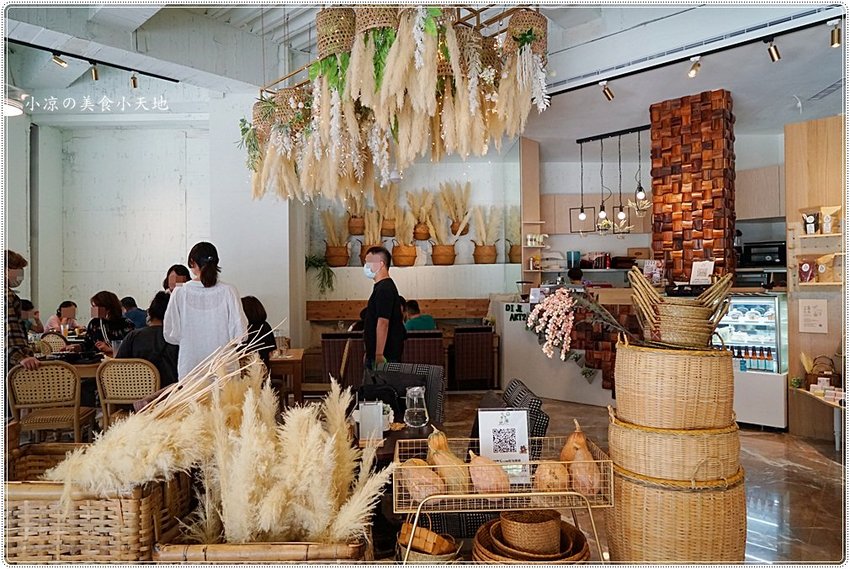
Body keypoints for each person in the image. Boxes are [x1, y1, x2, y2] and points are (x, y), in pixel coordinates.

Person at [163, 242, 247, 380]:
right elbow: (241, 334)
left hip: (191, 366)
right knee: (228, 395)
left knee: (194, 395)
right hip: (225, 367)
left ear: (192, 262)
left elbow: (170, 333)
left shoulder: (179, 291)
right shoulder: (229, 291)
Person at [116, 292, 180, 387]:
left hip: (135, 391)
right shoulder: (176, 338)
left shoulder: (133, 336)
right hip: (170, 392)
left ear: (150, 313)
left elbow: (117, 367)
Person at [362, 246, 406, 369]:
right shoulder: (382, 287)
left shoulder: (384, 289)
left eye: (368, 262)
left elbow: (383, 322)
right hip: (378, 352)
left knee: (382, 382)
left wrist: (378, 354)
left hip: (385, 354)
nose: (365, 266)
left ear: (380, 264)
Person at [5, 250, 39, 371]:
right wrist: (20, 357)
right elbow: (10, 328)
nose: (21, 275)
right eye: (18, 269)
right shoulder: (6, 295)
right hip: (10, 362)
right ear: (6, 270)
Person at [241, 296, 276, 368]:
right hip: (262, 368)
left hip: (242, 369)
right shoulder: (265, 326)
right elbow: (271, 352)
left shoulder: (242, 328)